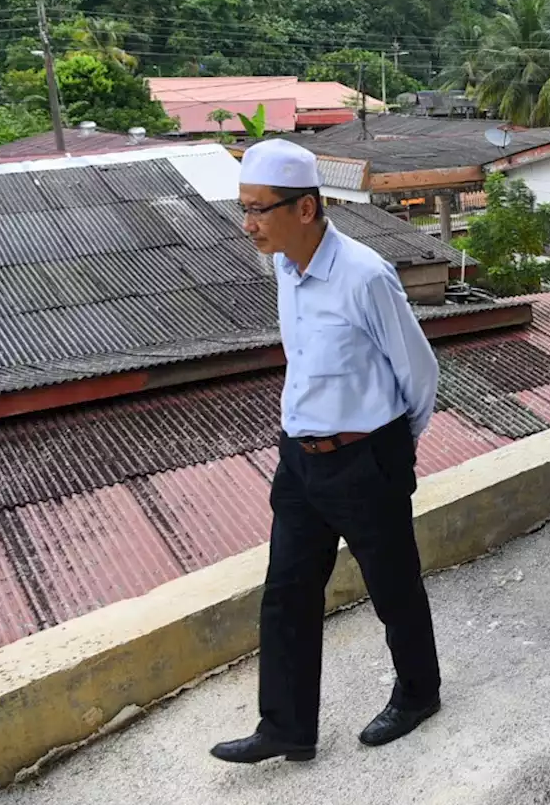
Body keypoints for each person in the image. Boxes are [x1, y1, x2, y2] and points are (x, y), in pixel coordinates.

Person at [212, 139, 442, 764]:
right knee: (286, 590)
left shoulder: (365, 275)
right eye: (245, 208)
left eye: (261, 209)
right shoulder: (284, 266)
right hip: (299, 461)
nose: (249, 224)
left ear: (306, 208)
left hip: (367, 457)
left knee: (392, 587)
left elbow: (419, 374)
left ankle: (419, 693)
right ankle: (286, 728)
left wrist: (391, 450)